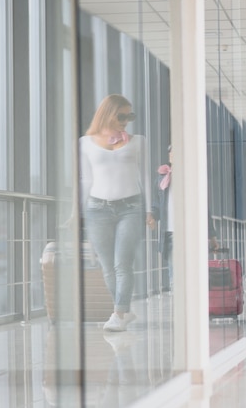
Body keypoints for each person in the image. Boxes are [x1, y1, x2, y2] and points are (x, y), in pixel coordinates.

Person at [79, 94, 154, 332]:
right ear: (108, 113)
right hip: (96, 208)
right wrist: (79, 214)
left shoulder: (139, 141)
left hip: (131, 208)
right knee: (107, 266)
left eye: (129, 116)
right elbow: (85, 181)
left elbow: (146, 177)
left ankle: (119, 313)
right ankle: (123, 310)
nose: (126, 120)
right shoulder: (85, 142)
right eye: (122, 115)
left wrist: (150, 209)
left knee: (123, 264)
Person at [149, 146, 219, 291]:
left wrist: (211, 237)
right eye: (171, 152)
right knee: (174, 274)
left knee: (191, 270)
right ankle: (180, 305)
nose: (174, 155)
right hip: (169, 232)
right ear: (169, 156)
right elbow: (157, 205)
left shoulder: (193, 178)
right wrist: (152, 217)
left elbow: (204, 209)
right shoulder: (161, 179)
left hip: (190, 232)